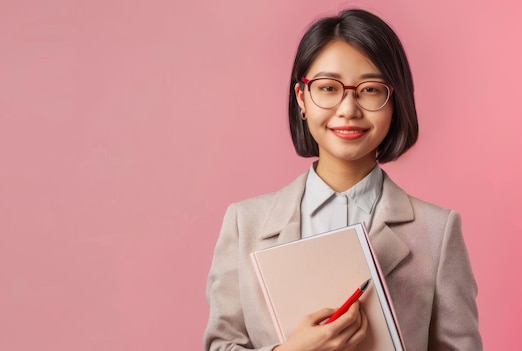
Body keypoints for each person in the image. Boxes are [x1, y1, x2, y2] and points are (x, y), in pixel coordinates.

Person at [203, 8, 482, 351]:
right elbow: (221, 344)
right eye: (328, 87)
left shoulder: (438, 232)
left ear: (395, 102)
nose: (348, 109)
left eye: (369, 89)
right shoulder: (244, 224)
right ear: (302, 99)